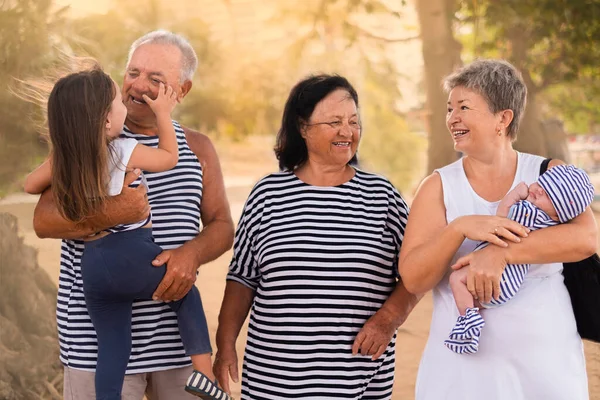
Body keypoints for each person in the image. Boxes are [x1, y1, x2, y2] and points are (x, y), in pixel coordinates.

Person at [31, 30, 234, 399]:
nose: (138, 86)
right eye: (133, 72)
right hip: (93, 344)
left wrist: (192, 254)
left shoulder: (198, 148)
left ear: (182, 91)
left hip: (175, 347)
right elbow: (43, 220)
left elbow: (222, 226)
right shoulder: (87, 140)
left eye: (155, 79)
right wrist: (114, 211)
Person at [398, 59, 596, 400]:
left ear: (502, 119)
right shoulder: (437, 186)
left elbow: (586, 238)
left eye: (464, 107)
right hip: (460, 376)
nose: (452, 118)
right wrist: (459, 228)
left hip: (547, 370)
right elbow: (414, 278)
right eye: (449, 109)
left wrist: (499, 252)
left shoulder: (550, 173)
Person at [213, 74, 420, 400]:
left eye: (353, 121)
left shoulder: (382, 196)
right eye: (334, 121)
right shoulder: (267, 194)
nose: (347, 131)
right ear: (303, 127)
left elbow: (418, 271)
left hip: (356, 381)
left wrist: (388, 319)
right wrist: (225, 345)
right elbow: (242, 279)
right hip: (273, 382)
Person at [445, 165, 595, 354]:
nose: (539, 190)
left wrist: (515, 195)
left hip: (503, 276)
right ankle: (475, 309)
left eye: (548, 194)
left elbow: (501, 216)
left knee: (456, 279)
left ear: (558, 213)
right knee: (471, 287)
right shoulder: (553, 226)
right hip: (509, 284)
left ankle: (468, 318)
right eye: (541, 184)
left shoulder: (529, 212)